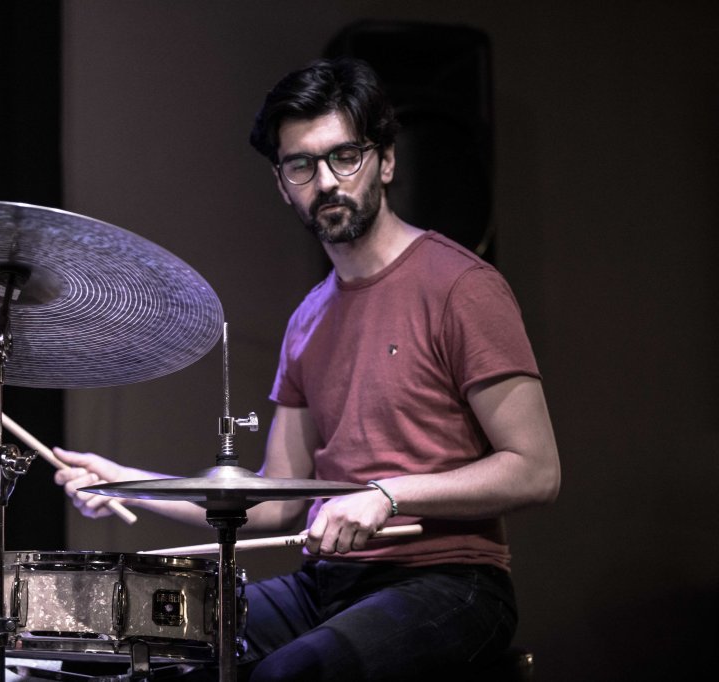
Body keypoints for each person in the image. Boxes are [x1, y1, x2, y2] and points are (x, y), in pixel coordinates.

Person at [53, 57, 560, 681]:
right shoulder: (308, 320)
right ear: (281, 183)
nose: (325, 182)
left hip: (452, 582)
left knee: (288, 675)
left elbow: (536, 470)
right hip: (328, 585)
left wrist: (388, 495)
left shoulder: (462, 287)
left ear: (385, 161)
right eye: (301, 165)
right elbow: (274, 506)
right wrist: (125, 482)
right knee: (152, 646)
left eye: (344, 157)